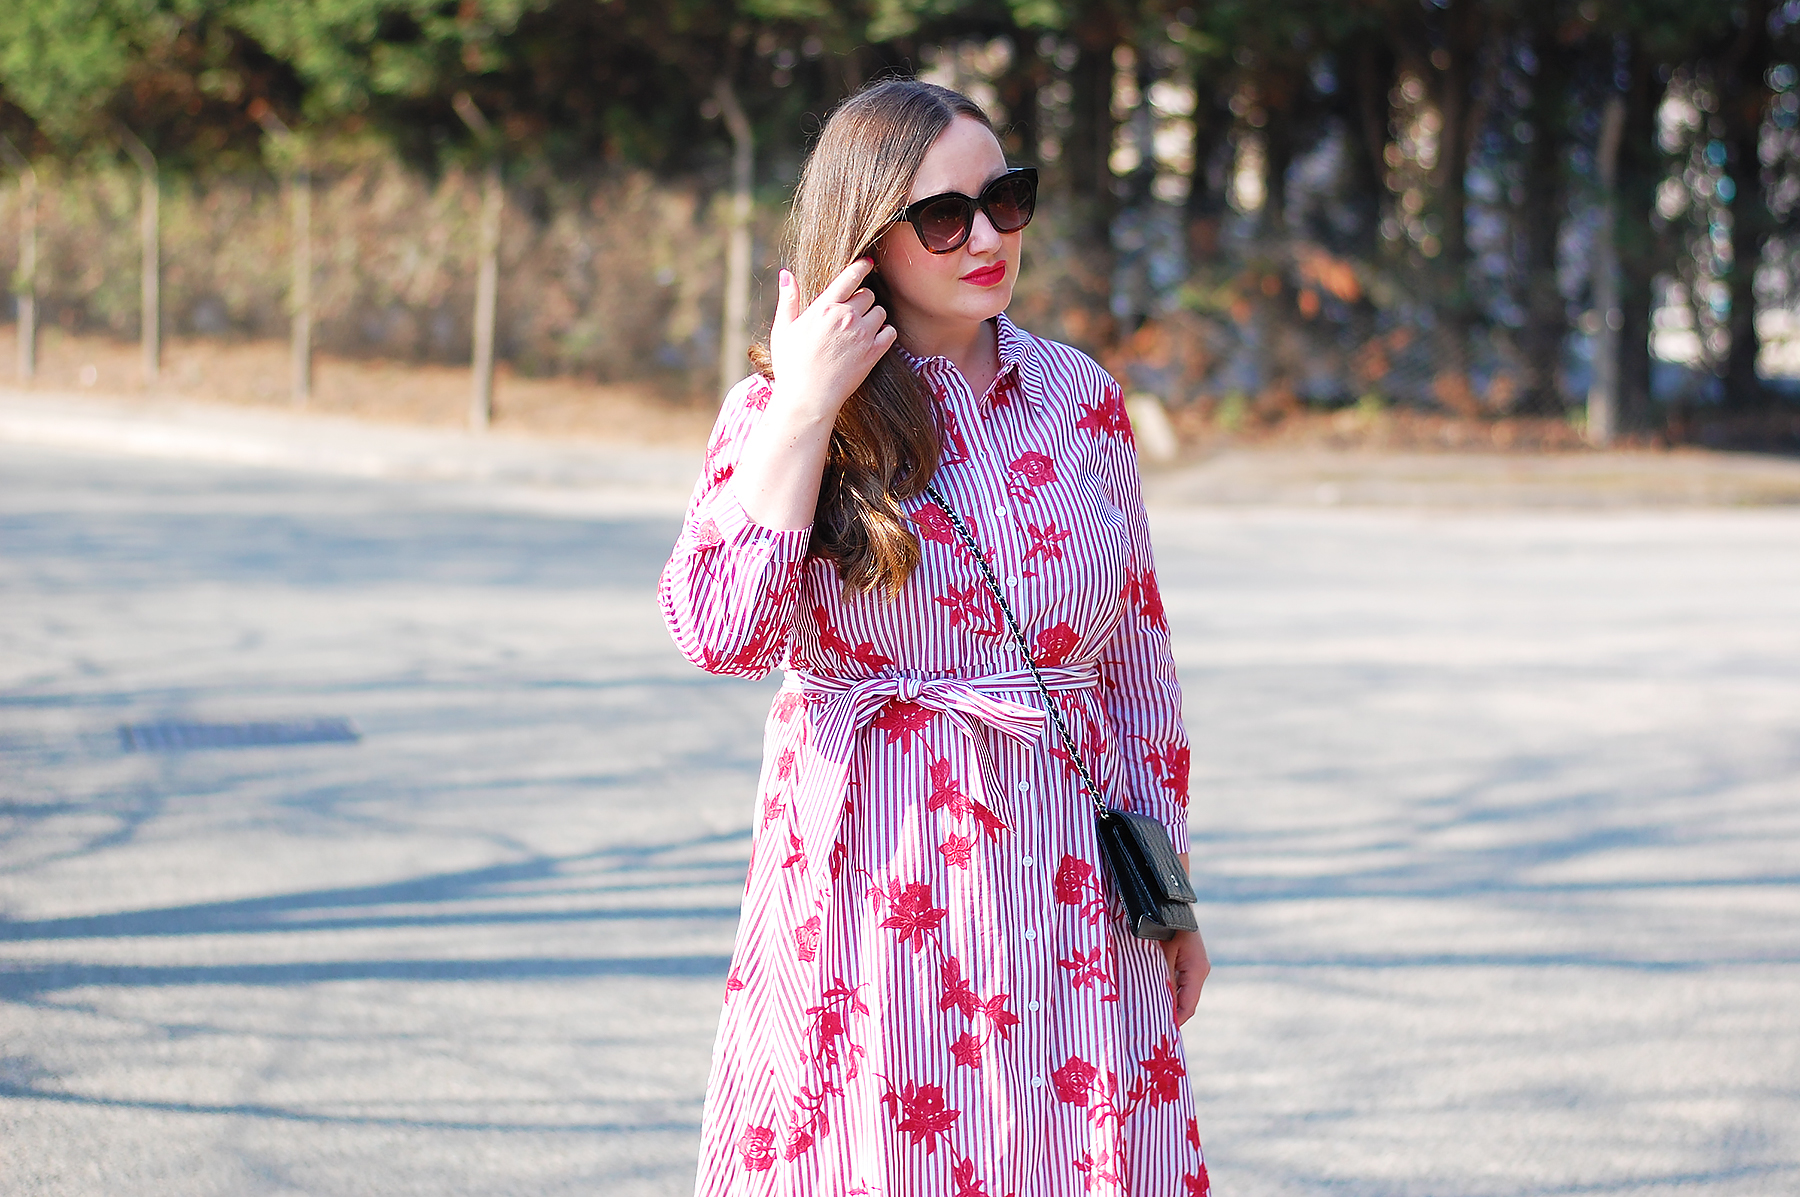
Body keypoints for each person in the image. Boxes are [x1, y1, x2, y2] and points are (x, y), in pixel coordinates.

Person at [660, 77, 1210, 1196]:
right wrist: (809, 409)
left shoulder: (1079, 399)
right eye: (944, 216)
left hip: (1062, 871)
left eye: (1005, 199)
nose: (988, 237)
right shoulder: (786, 412)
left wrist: (1171, 893)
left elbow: (1137, 666)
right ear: (866, 239)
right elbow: (718, 630)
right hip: (875, 864)